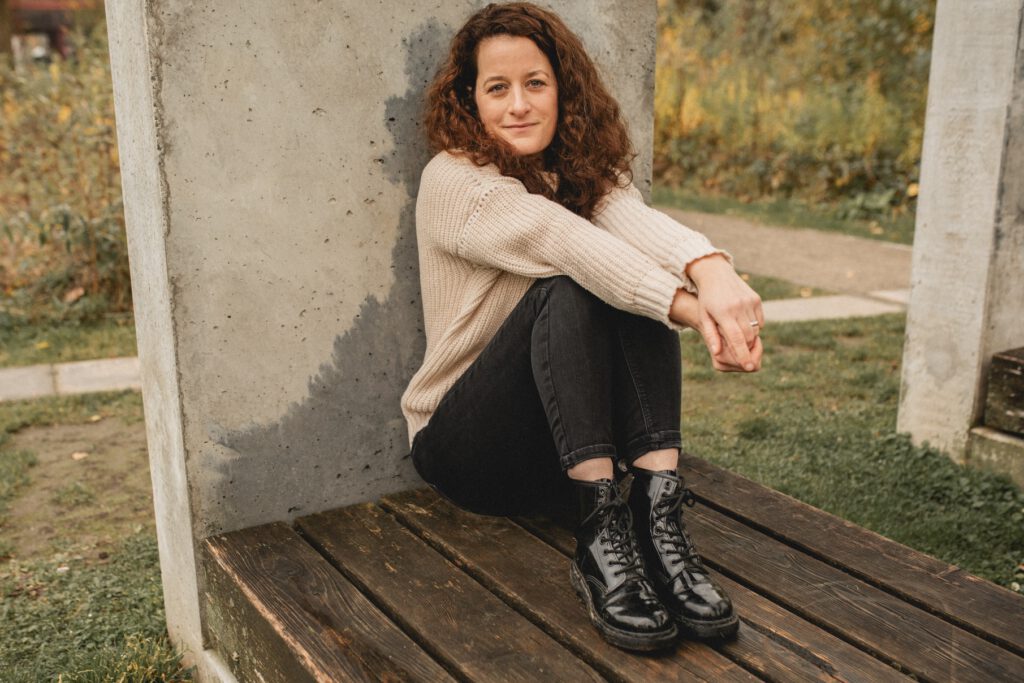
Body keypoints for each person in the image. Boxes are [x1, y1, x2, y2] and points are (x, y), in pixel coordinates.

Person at [401, 1, 764, 652]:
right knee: (577, 283)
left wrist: (712, 270)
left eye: (535, 83)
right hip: (468, 450)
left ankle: (655, 516)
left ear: (562, 90)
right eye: (497, 88)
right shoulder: (453, 181)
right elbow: (565, 240)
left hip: (560, 455)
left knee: (629, 282)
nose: (518, 105)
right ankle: (600, 541)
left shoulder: (579, 170)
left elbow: (634, 224)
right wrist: (694, 310)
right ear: (471, 101)